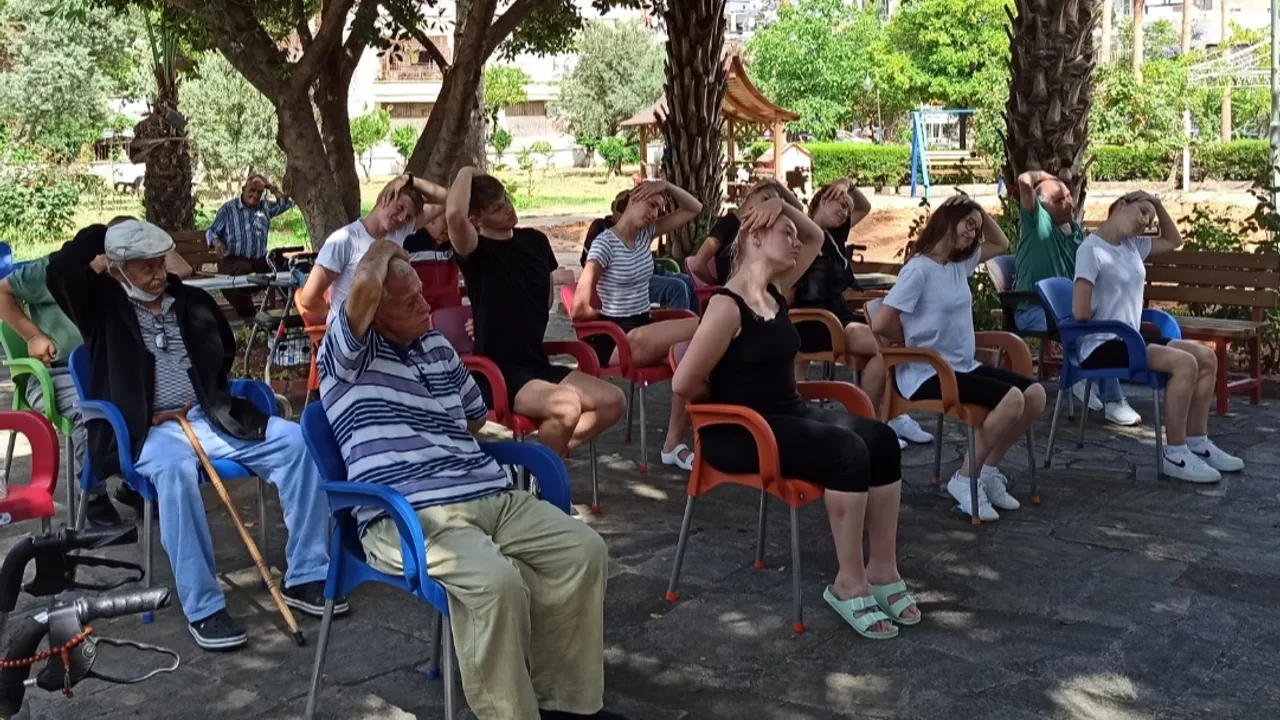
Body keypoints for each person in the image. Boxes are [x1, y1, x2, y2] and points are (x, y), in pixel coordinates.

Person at [318, 239, 625, 720]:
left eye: (422, 294)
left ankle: (566, 704)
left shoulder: (436, 346)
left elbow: (474, 417)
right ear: (374, 313)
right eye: (409, 302)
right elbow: (360, 289)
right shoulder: (345, 357)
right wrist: (381, 248)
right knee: (497, 584)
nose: (426, 307)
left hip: (487, 493)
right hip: (409, 514)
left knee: (582, 552)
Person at [46, 219, 337, 651]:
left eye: (159, 263)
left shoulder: (192, 300)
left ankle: (307, 574)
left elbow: (224, 349)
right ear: (120, 269)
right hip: (149, 431)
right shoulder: (100, 304)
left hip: (209, 416)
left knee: (296, 444)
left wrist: (207, 394)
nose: (157, 274)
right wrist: (104, 234)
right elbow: (60, 269)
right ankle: (204, 606)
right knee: (176, 472)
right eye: (145, 267)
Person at [672, 195, 919, 641]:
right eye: (783, 232)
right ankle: (849, 582)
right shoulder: (727, 306)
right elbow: (683, 382)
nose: (795, 240)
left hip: (788, 417)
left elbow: (815, 235)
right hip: (742, 433)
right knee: (847, 451)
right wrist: (724, 401)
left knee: (881, 440)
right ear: (754, 235)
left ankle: (882, 570)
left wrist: (780, 205)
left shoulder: (773, 292)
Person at [0, 219, 191, 526]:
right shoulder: (51, 271)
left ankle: (134, 484)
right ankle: (93, 496)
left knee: (146, 404)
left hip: (109, 366)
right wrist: (32, 336)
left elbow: (183, 271)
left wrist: (148, 250)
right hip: (58, 371)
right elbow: (2, 292)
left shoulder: (129, 274)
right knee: (92, 413)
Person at [873, 196, 1046, 522]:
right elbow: (881, 323)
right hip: (928, 372)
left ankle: (987, 471)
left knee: (1034, 395)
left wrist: (976, 209)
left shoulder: (957, 265)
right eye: (968, 224)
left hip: (963, 367)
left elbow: (1000, 242)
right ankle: (965, 479)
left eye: (976, 228)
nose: (973, 233)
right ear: (947, 220)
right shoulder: (918, 270)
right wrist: (911, 343)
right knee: (1011, 400)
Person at [447, 168, 626, 457]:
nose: (508, 208)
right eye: (497, 208)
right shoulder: (476, 253)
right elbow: (454, 215)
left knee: (613, 400)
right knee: (567, 408)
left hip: (536, 362)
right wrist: (467, 170)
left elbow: (545, 298)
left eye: (506, 199)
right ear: (476, 220)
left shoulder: (535, 240)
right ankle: (544, 471)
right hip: (499, 373)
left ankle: (537, 464)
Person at [1073, 192, 1244, 483]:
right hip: (1102, 344)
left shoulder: (1133, 246)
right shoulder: (1090, 250)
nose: (1145, 222)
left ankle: (1197, 442)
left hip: (1130, 340)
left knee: (1206, 357)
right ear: (1121, 205)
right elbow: (1079, 311)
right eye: (1142, 212)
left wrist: (1157, 204)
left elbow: (1174, 240)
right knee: (1185, 364)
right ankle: (1175, 453)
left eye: (1149, 219)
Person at [572, 180, 702, 470]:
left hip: (642, 328)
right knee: (702, 326)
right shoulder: (605, 244)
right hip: (614, 339)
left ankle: (673, 444)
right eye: (651, 204)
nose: (655, 213)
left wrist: (666, 186)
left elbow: (694, 208)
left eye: (660, 208)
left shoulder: (645, 236)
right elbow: (579, 308)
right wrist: (607, 316)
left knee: (691, 356)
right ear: (633, 199)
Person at [795, 178, 933, 448]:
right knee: (884, 349)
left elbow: (864, 206)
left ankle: (888, 416)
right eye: (840, 205)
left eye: (847, 208)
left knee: (894, 339)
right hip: (815, 322)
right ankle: (870, 424)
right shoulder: (803, 236)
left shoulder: (835, 236)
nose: (845, 212)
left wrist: (847, 185)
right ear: (822, 200)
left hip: (841, 317)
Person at [1012, 171, 1139, 426]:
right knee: (1090, 330)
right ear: (1043, 206)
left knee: (1102, 323)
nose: (1068, 202)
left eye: (1069, 196)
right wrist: (1045, 175)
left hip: (1068, 311)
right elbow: (1024, 181)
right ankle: (1106, 395)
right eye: (1059, 200)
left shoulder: (1077, 231)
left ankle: (1085, 378)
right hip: (1033, 310)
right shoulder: (1037, 222)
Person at [299, 174, 448, 325]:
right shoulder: (345, 240)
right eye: (399, 208)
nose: (402, 218)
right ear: (384, 198)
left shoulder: (400, 231)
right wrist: (337, 321)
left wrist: (408, 179)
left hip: (387, 331)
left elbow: (448, 199)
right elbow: (309, 298)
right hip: (352, 334)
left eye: (408, 217)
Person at [581, 190, 697, 312]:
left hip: (652, 271)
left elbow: (692, 210)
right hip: (628, 281)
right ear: (614, 207)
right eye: (621, 206)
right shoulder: (602, 231)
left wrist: (666, 186)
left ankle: (697, 321)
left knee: (693, 283)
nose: (624, 210)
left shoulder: (642, 229)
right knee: (677, 288)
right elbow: (590, 266)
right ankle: (681, 322)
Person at [205, 173, 294, 319]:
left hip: (259, 261)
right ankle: (251, 317)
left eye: (260, 192)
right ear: (243, 189)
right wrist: (216, 242)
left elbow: (286, 203)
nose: (255, 195)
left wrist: (270, 187)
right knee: (239, 275)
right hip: (233, 261)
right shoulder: (228, 209)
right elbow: (211, 231)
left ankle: (289, 315)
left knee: (287, 270)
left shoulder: (265, 207)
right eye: (252, 190)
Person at [404, 210, 463, 311]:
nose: (450, 228)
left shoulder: (455, 242)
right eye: (446, 221)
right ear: (431, 218)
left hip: (452, 312)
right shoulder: (408, 239)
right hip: (420, 312)